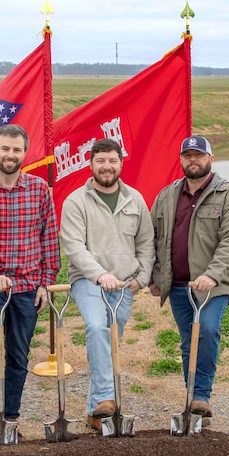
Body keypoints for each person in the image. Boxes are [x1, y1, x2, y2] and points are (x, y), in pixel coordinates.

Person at [0, 124, 61, 426]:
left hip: (28, 283)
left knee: (18, 351)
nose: (10, 154)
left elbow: (49, 239)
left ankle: (11, 415)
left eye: (16, 149)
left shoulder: (38, 190)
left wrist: (46, 282)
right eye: (4, 148)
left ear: (24, 153)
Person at [148, 135, 229, 420]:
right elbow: (153, 237)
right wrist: (156, 276)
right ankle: (192, 396)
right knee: (188, 339)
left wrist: (212, 276)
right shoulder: (167, 196)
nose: (194, 160)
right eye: (188, 155)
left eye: (199, 155)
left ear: (211, 159)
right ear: (181, 160)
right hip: (178, 285)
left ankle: (202, 395)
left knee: (206, 330)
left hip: (212, 287)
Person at [60, 138, 155, 431]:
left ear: (121, 163)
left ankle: (94, 412)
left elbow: (146, 242)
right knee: (98, 327)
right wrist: (100, 275)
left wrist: (142, 278)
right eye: (100, 161)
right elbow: (74, 246)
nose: (106, 167)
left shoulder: (135, 199)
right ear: (91, 164)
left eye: (112, 161)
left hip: (125, 285)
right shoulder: (76, 201)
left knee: (109, 342)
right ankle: (106, 397)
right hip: (88, 281)